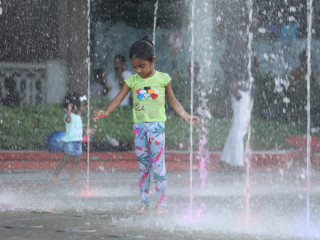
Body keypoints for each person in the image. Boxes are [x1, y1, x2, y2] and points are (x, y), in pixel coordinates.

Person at [94, 36, 200, 215]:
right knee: (143, 168)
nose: (138, 70)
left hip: (156, 128)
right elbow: (119, 97)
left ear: (153, 61)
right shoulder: (132, 81)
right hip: (139, 129)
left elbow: (173, 101)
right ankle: (144, 203)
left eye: (142, 66)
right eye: (135, 67)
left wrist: (187, 116)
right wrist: (106, 111)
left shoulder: (163, 79)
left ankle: (162, 204)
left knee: (158, 165)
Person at [219, 5, 259, 168]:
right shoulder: (239, 36)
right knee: (241, 126)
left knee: (239, 123)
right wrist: (232, 80)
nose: (257, 20)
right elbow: (226, 60)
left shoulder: (247, 36)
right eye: (255, 16)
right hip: (240, 86)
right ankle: (237, 163)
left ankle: (226, 159)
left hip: (247, 86)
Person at [52, 92, 96, 184]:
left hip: (77, 141)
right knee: (67, 158)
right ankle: (55, 174)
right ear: (74, 106)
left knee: (77, 159)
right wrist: (69, 110)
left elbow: (77, 128)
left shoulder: (77, 116)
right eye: (82, 106)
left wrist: (87, 130)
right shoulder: (69, 116)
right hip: (69, 141)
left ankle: (73, 176)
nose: (83, 108)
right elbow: (68, 121)